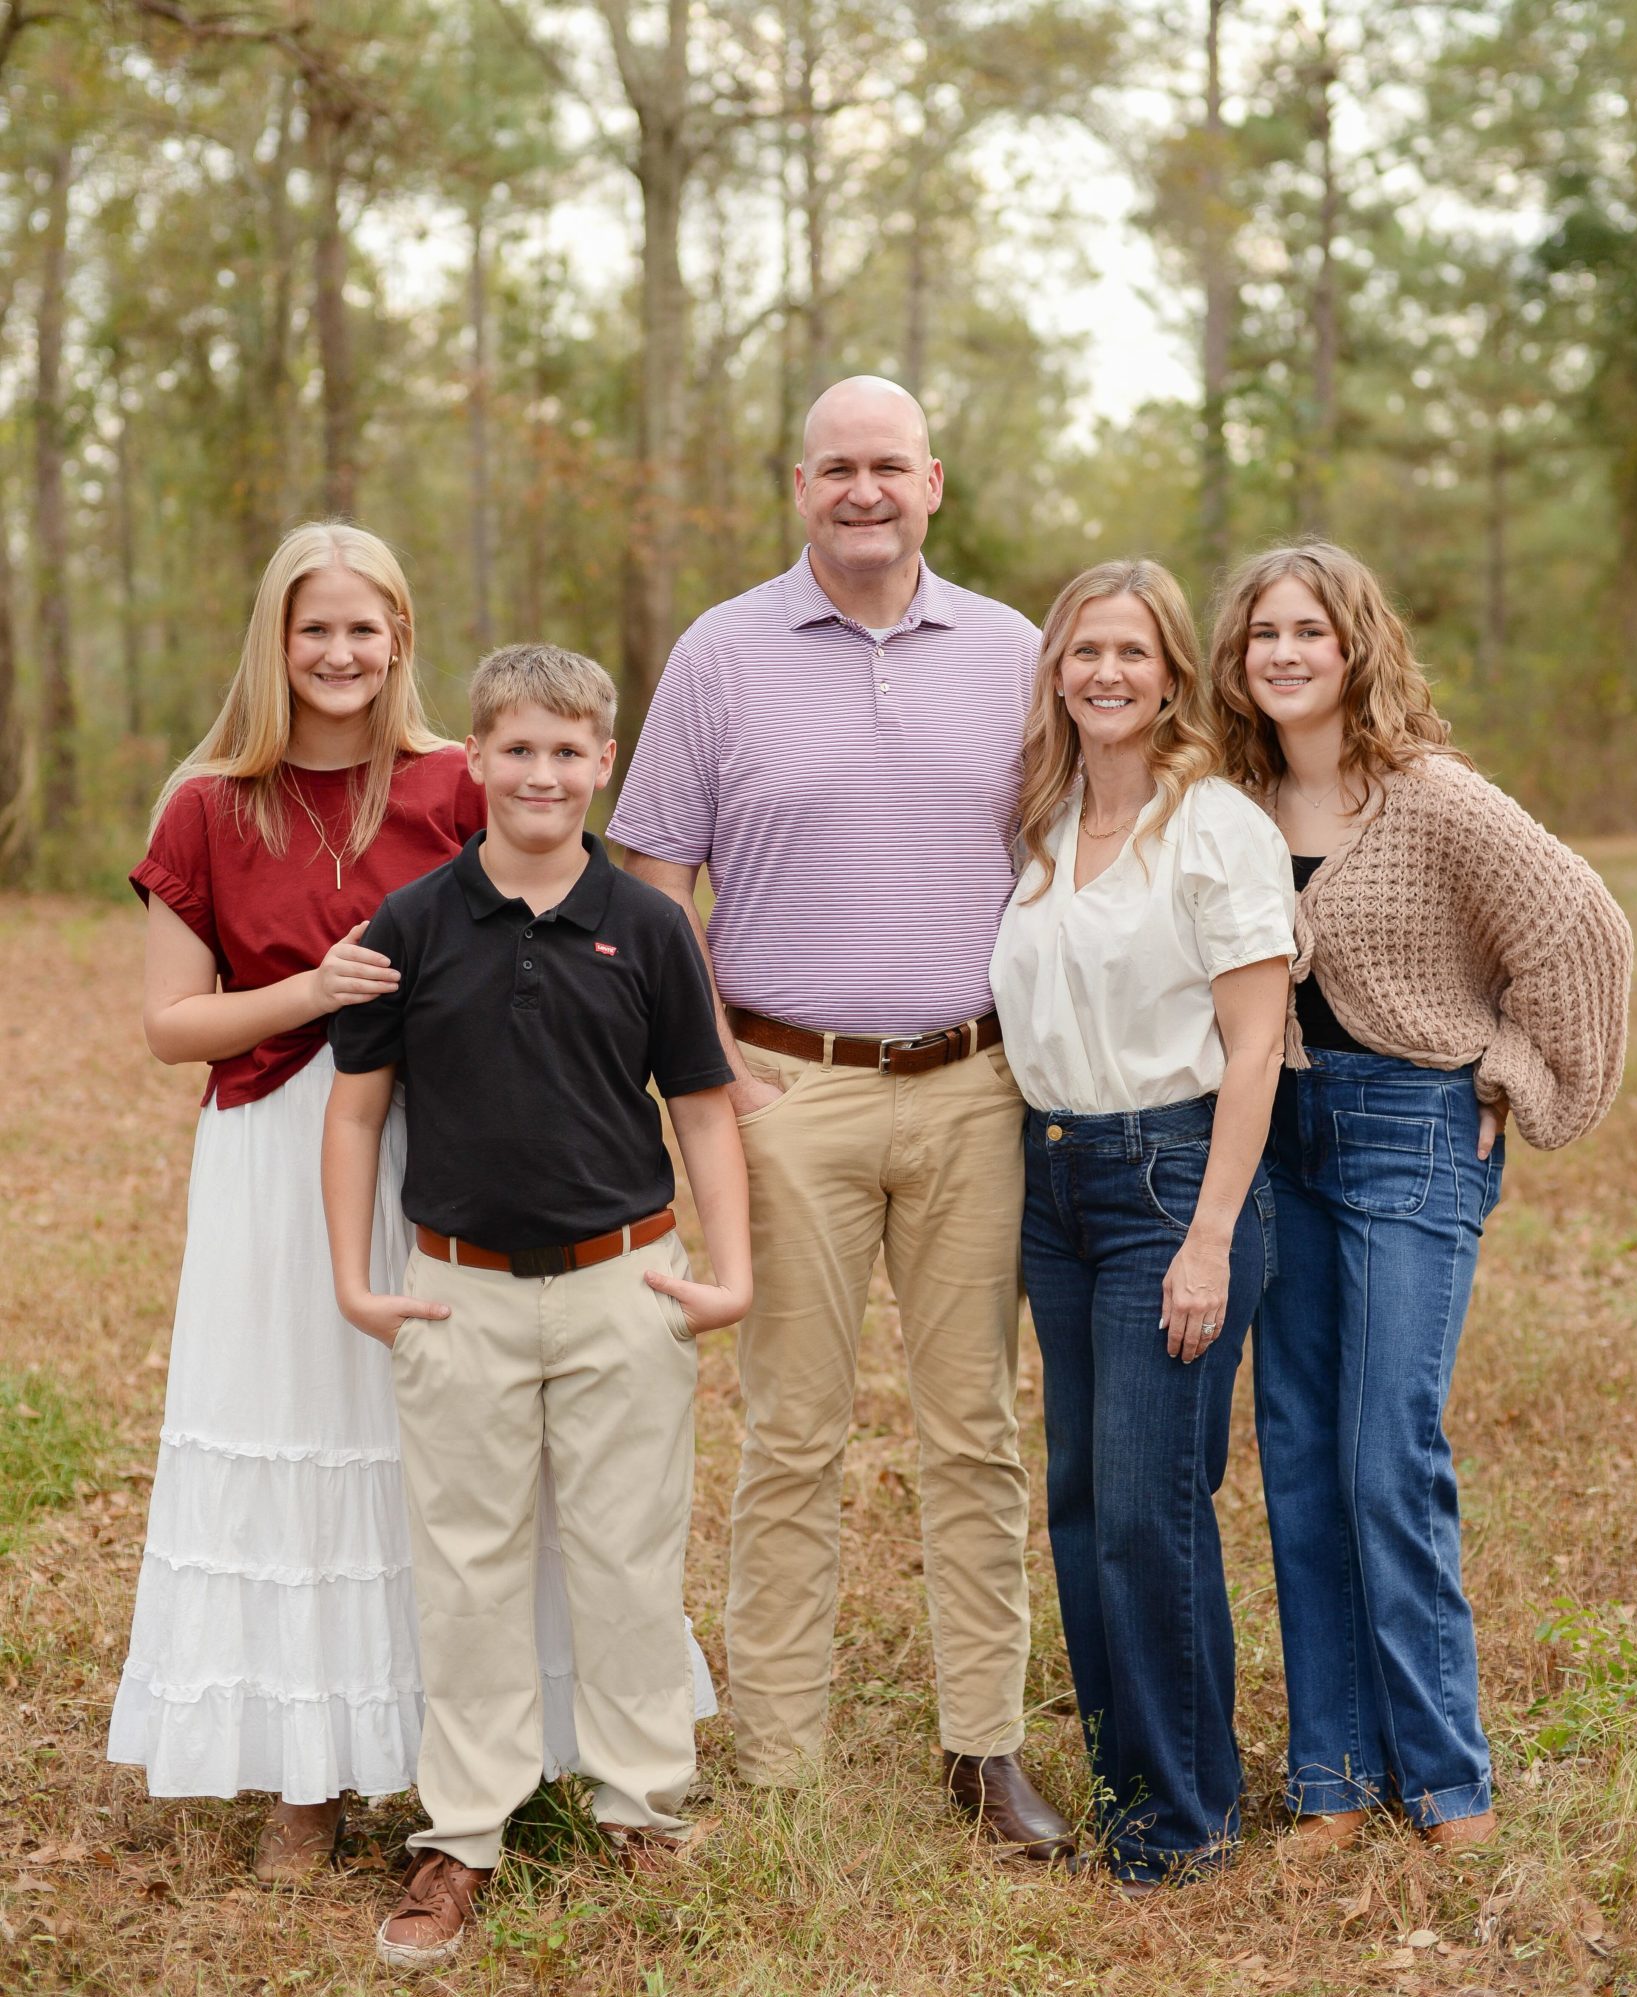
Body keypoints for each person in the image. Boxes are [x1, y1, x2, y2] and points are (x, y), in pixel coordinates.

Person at [106, 525, 713, 1885]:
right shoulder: (206, 802)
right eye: (311, 628)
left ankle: (531, 1749)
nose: (336, 653)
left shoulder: (455, 779)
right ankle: (308, 1772)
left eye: (363, 629)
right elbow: (168, 1022)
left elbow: (569, 938)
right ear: (274, 640)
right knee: (302, 1427)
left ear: (400, 641)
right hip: (276, 1145)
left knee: (457, 1449)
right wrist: (311, 992)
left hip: (448, 1144)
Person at [608, 375, 1072, 1856]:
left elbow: (1083, 850)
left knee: (975, 1431)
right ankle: (780, 1755)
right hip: (782, 1088)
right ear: (795, 485)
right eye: (834, 468)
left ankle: (985, 1748)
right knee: (792, 1432)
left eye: (888, 465)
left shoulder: (1013, 651)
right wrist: (702, 1077)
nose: (861, 490)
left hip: (973, 1084)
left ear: (933, 480)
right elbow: (648, 885)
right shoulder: (720, 652)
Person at [323, 643, 751, 1970]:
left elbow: (702, 1105)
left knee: (627, 1551)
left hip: (626, 1281)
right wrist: (357, 1280)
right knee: (467, 1567)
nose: (542, 772)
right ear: (478, 761)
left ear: (602, 762)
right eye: (516, 748)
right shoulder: (411, 924)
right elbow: (355, 1112)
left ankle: (637, 1799)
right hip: (458, 1291)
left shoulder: (654, 924)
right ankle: (461, 1831)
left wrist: (727, 1271)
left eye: (568, 750)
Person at [1205, 541, 1632, 1853]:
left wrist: (1507, 1076)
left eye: (1308, 631)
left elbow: (1582, 927)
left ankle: (1447, 1781)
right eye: (1261, 632)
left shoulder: (1431, 797)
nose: (1282, 652)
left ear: (1354, 649)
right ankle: (1332, 1772)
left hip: (1411, 1135)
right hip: (1278, 1137)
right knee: (1295, 1447)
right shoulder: (1227, 803)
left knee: (1386, 1448)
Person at [988, 560, 1293, 1890]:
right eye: (1082, 651)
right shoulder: (1047, 824)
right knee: (1075, 1503)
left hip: (1170, 1181)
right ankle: (1129, 1794)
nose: (1104, 673)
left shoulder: (1213, 823)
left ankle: (1185, 1818)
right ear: (1055, 670)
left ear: (1171, 671)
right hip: (1052, 1179)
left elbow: (1255, 1041)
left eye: (1130, 651)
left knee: (1147, 1512)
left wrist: (1211, 1232)